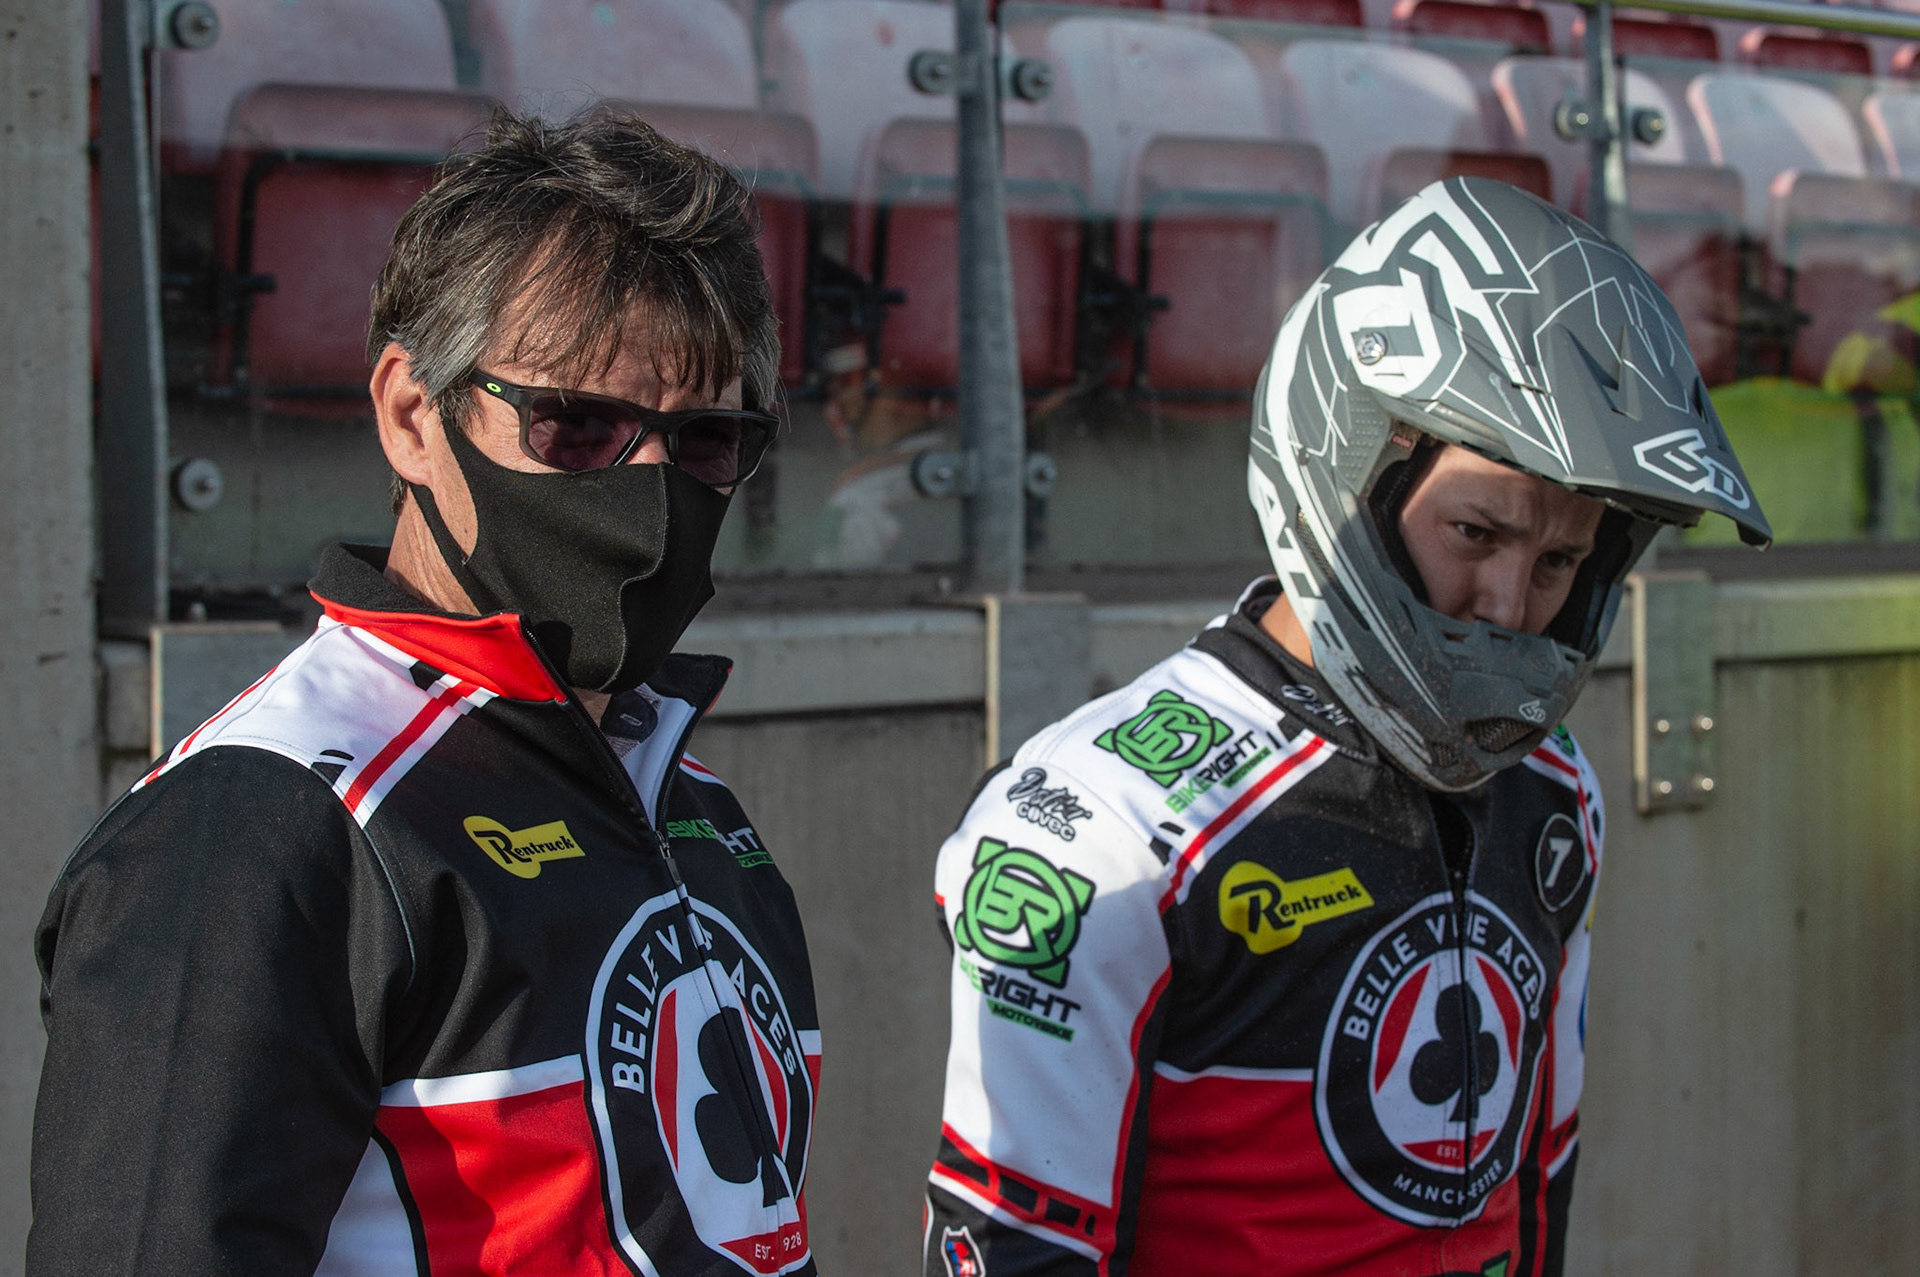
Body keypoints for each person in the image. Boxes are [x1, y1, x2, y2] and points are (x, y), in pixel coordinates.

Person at [921, 177, 1771, 1277]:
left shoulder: (1554, 791)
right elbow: (1014, 1248)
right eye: (1476, 530)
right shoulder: (1103, 824)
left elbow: (1537, 1193)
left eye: (1561, 560)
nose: (1509, 603)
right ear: (1356, 463)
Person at [32, 109, 823, 1276]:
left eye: (705, 441)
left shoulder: (685, 791)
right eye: (578, 425)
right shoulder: (263, 830)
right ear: (413, 413)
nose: (648, 490)